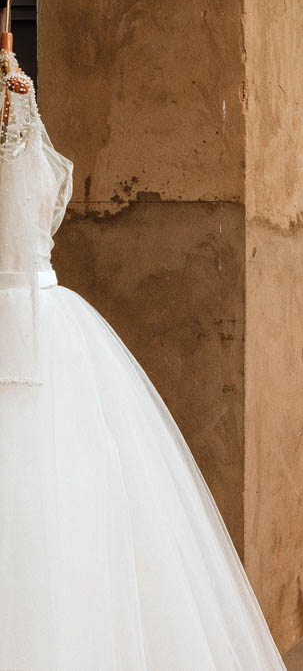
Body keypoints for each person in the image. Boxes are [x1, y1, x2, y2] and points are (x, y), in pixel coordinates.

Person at [0, 42, 285, 668]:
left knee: (61, 509)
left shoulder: (16, 95)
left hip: (43, 332)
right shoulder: (17, 95)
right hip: (45, 326)